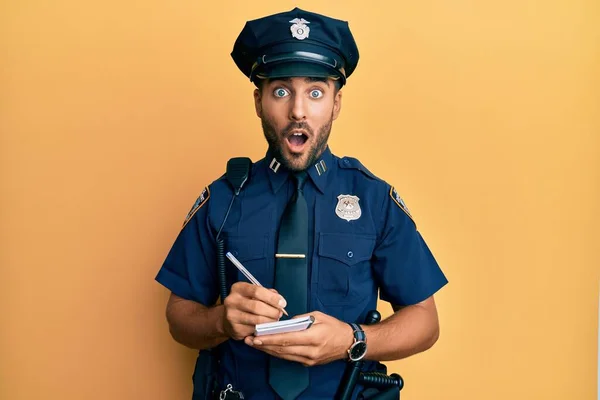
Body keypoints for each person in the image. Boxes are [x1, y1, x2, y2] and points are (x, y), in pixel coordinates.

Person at [155, 7, 448, 400]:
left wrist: (352, 339)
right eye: (281, 91)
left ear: (336, 103)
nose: (298, 110)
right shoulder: (223, 198)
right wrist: (221, 320)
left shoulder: (374, 200)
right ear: (259, 102)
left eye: (315, 92)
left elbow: (426, 322)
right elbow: (179, 318)